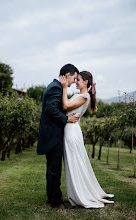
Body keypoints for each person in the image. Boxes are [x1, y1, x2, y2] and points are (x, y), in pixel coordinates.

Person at [59, 71, 114, 208]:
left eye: (78, 79)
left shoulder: (84, 96)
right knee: (73, 162)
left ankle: (80, 195)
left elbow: (66, 106)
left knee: (75, 163)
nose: (75, 82)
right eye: (76, 79)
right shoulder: (80, 95)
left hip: (72, 131)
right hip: (70, 129)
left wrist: (65, 88)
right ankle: (77, 192)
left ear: (86, 82)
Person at [37, 64, 80, 210]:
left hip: (51, 134)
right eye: (74, 78)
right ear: (68, 75)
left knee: (52, 168)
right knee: (54, 169)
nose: (74, 82)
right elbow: (51, 109)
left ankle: (52, 197)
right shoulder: (56, 88)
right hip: (53, 135)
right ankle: (56, 201)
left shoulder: (55, 86)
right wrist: (66, 119)